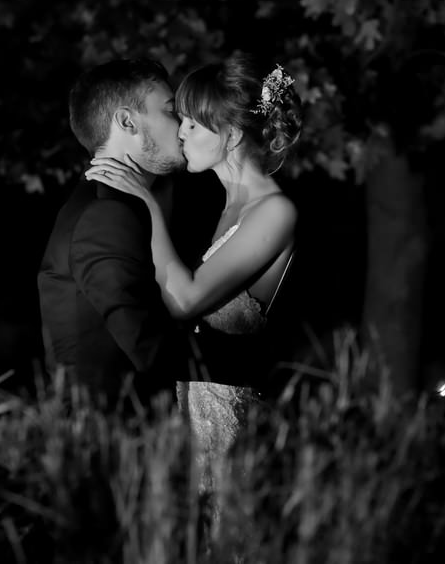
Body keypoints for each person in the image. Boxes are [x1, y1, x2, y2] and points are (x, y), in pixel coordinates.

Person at [84, 53, 302, 500]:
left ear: (232, 135)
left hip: (229, 434)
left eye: (192, 125)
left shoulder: (274, 210)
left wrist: (143, 204)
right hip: (188, 425)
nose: (179, 133)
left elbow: (184, 301)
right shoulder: (226, 206)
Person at [36, 58, 224, 410]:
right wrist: (247, 361)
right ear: (127, 121)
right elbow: (147, 345)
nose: (185, 126)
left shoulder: (121, 204)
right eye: (172, 112)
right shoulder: (106, 214)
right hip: (114, 438)